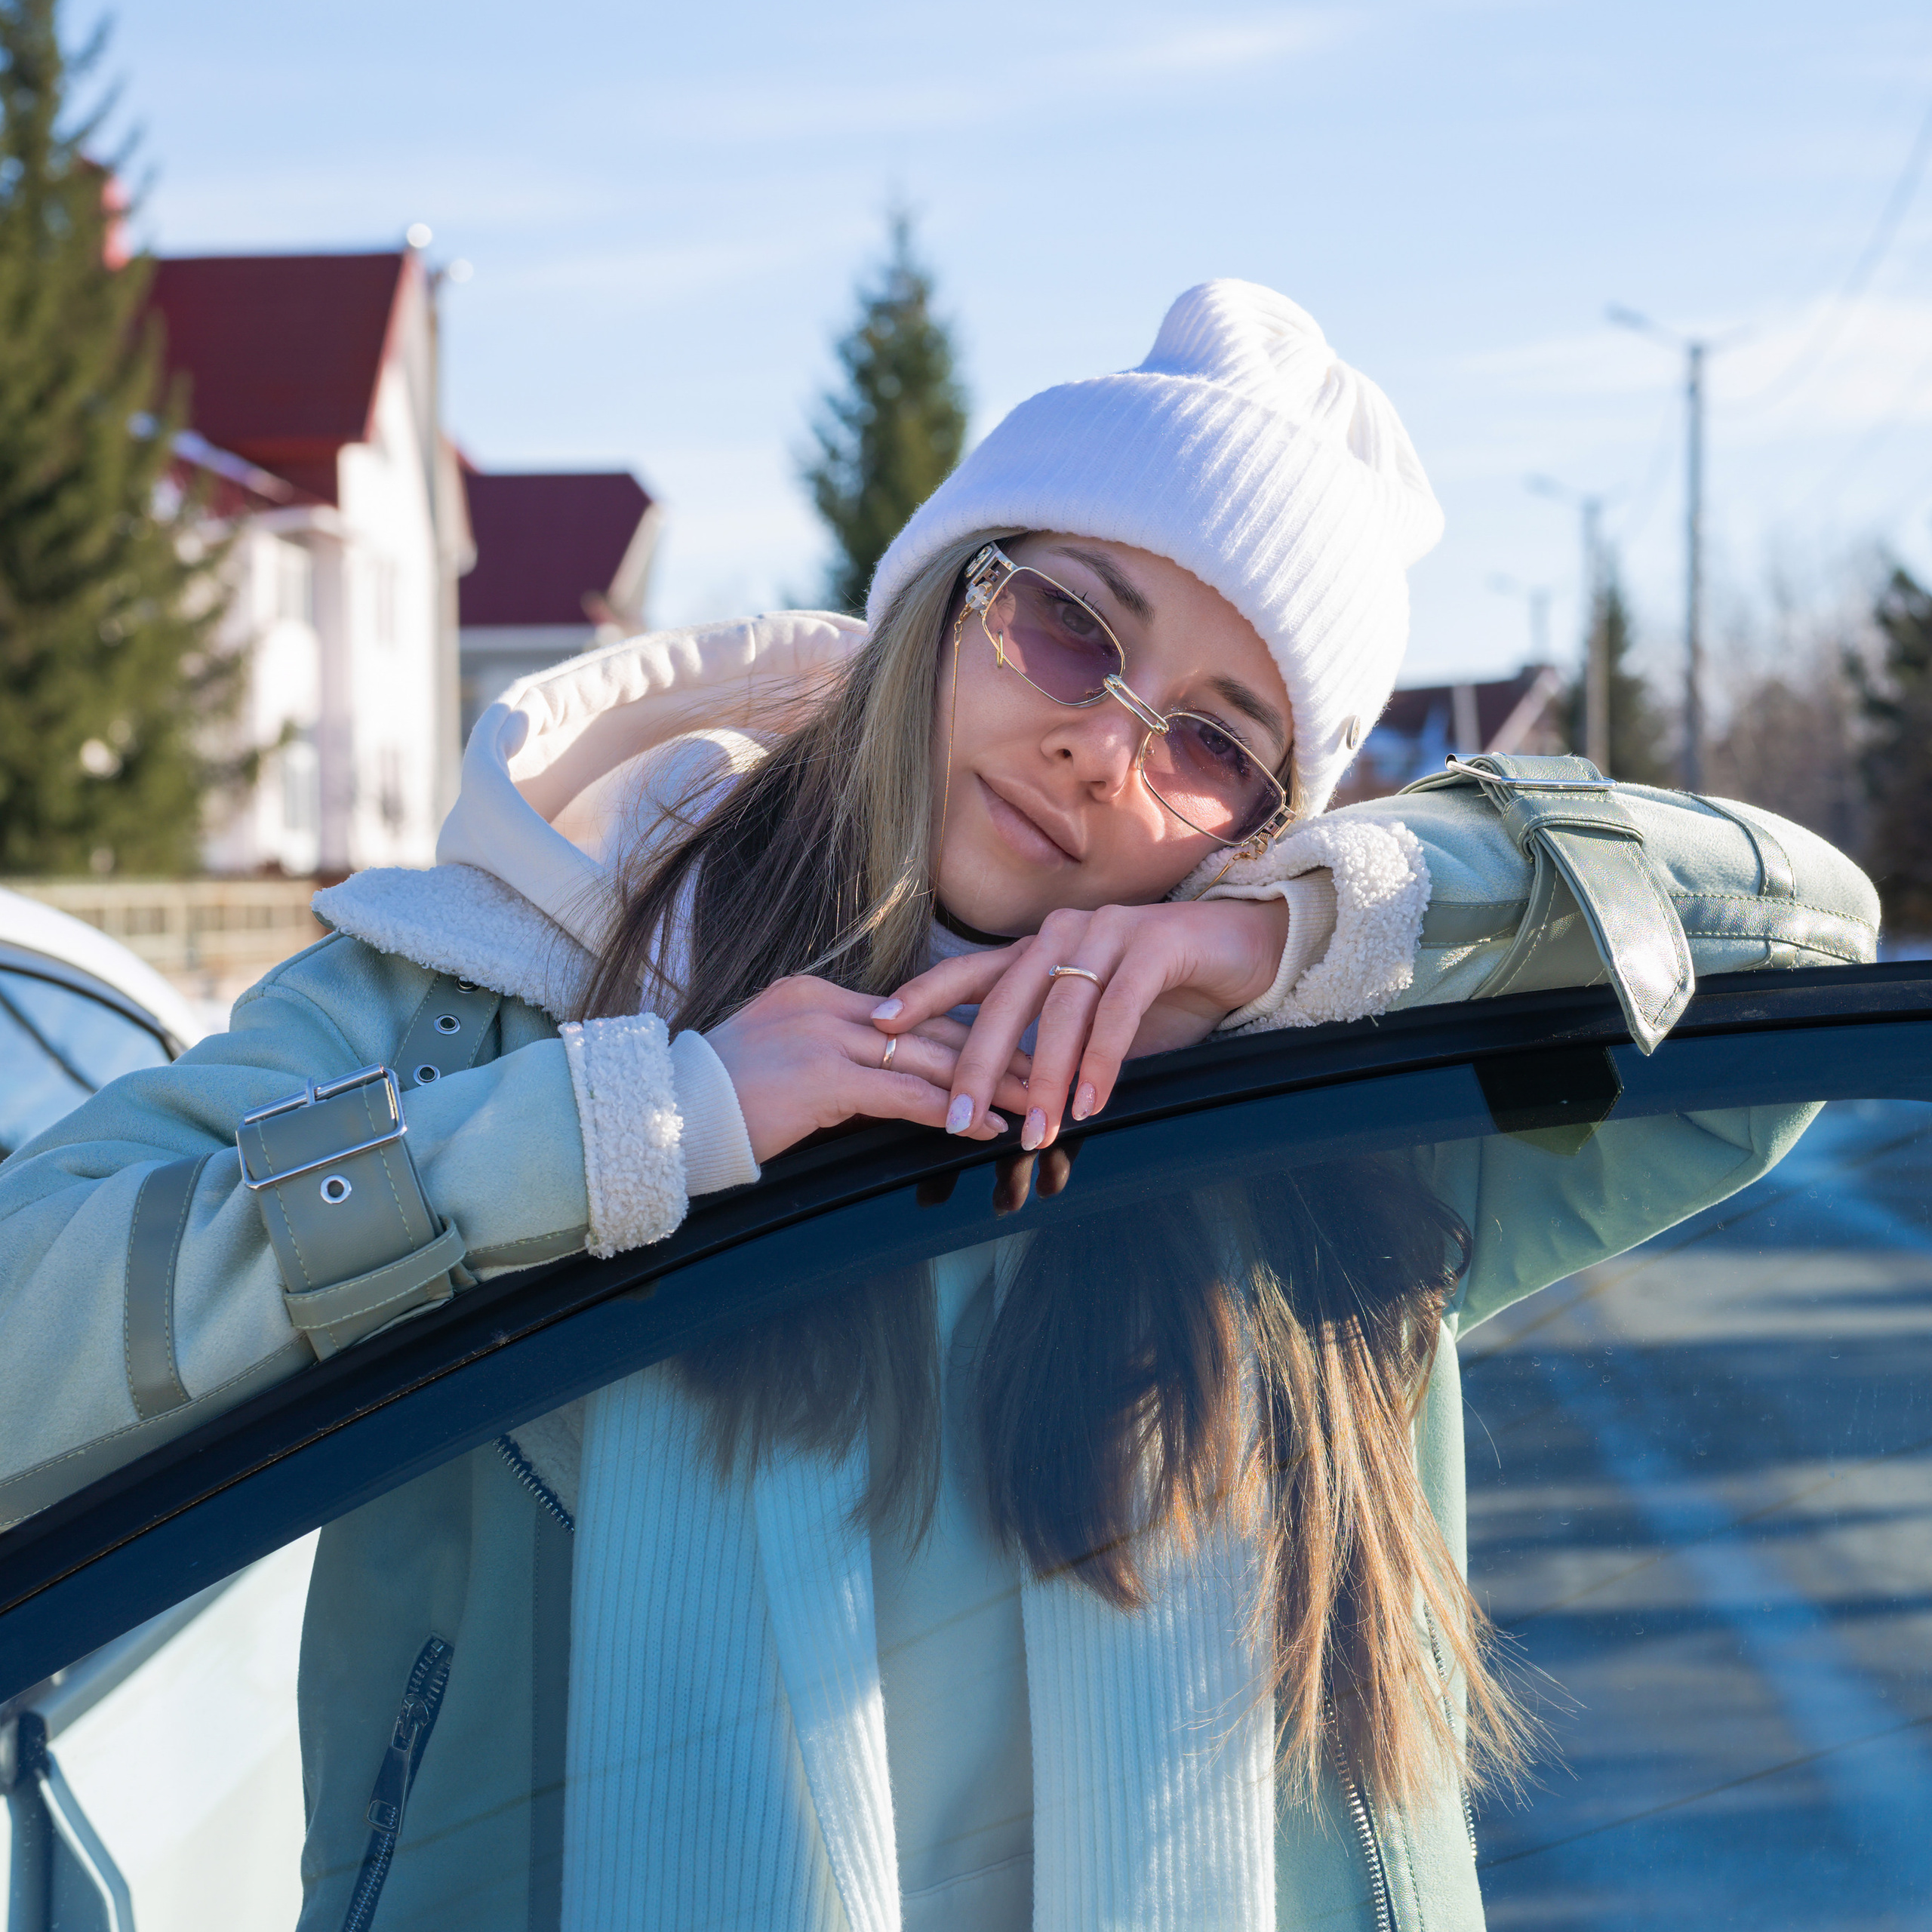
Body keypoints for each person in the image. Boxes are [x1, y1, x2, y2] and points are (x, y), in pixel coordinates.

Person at [0, 281, 1878, 1932]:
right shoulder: (506, 987)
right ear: (942, 602)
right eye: (1073, 624)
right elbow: (33, 1301)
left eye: (1214, 741)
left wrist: (1297, 935)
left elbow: (1800, 940)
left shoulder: (1324, 1120)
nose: (1103, 744)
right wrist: (637, 1124)